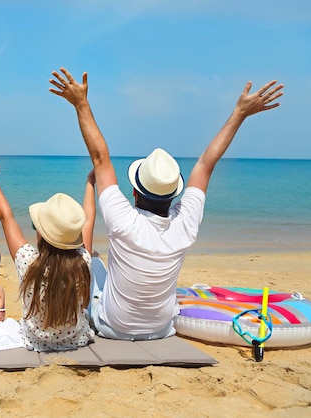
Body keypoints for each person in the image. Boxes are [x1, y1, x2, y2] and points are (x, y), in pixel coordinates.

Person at [49, 67, 284, 340]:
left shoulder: (123, 220)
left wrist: (80, 103)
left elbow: (100, 158)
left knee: (94, 262)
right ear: (174, 195)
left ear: (135, 193)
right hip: (161, 329)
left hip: (112, 327)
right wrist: (240, 114)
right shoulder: (185, 223)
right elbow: (206, 165)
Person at [0, 154, 95, 351]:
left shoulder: (28, 261)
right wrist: (91, 183)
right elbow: (88, 221)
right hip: (76, 339)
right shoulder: (83, 260)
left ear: (40, 233)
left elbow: (6, 218)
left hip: (34, 341)